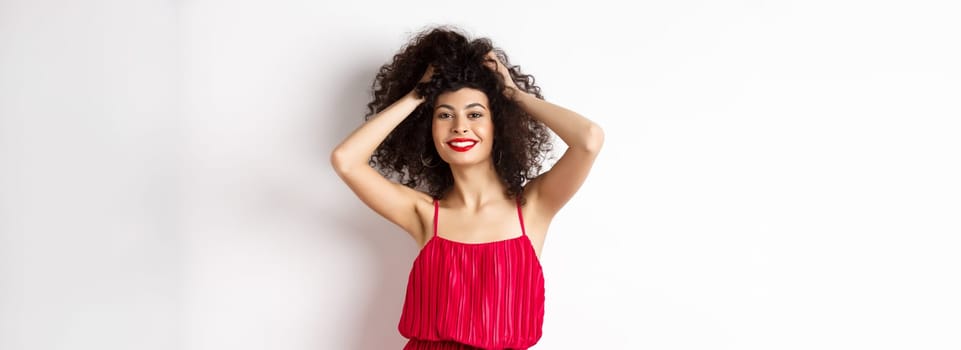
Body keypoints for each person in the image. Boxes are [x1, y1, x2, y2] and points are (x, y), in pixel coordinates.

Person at [330, 25, 604, 350]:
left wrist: (513, 94)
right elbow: (346, 159)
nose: (460, 126)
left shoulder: (533, 206)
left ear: (497, 125)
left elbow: (588, 140)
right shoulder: (422, 213)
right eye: (445, 115)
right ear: (428, 130)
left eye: (475, 114)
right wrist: (418, 94)